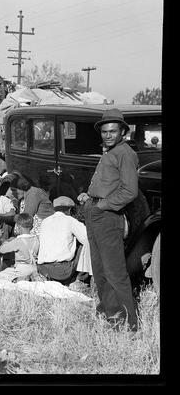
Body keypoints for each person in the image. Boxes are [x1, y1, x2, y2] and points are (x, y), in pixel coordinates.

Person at [77, 109, 139, 331]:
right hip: (96, 213)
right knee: (100, 268)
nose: (108, 135)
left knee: (115, 271)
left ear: (123, 131)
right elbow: (108, 184)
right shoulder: (109, 152)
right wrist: (90, 197)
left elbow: (129, 191)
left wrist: (102, 204)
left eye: (113, 131)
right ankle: (110, 312)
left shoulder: (125, 154)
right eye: (104, 131)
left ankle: (129, 323)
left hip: (109, 216)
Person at [36, 196, 92, 286]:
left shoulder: (45, 221)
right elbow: (88, 238)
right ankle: (80, 280)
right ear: (69, 210)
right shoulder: (70, 220)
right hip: (62, 271)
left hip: (43, 269)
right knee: (87, 244)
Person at [0, 213, 39, 282]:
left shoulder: (17, 241)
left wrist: (7, 241)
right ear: (32, 227)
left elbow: (2, 250)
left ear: (18, 226)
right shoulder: (36, 239)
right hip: (34, 268)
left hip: (21, 269)